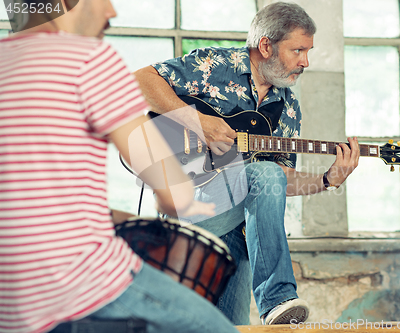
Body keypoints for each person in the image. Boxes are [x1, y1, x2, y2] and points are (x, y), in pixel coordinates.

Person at [0, 0, 240, 332]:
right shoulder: (88, 58)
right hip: (83, 287)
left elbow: (29, 205)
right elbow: (174, 189)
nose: (111, 12)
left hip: (13, 310)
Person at [134, 1, 360, 326]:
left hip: (235, 231)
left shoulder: (288, 106)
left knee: (230, 327)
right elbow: (141, 79)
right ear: (266, 45)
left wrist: (327, 180)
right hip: (186, 207)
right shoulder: (214, 65)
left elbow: (277, 180)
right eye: (297, 50)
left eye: (308, 51)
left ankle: (273, 309)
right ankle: (277, 298)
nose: (306, 61)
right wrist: (198, 122)